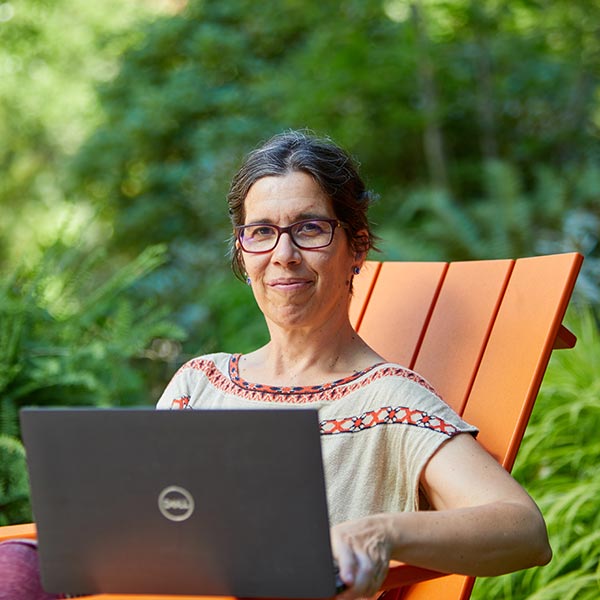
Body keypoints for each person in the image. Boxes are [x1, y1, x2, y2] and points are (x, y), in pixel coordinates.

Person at [157, 130, 552, 599]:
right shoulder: (198, 384)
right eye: (261, 232)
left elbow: (524, 529)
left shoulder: (389, 402)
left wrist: (379, 532)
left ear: (357, 246)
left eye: (309, 229)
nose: (283, 256)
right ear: (244, 252)